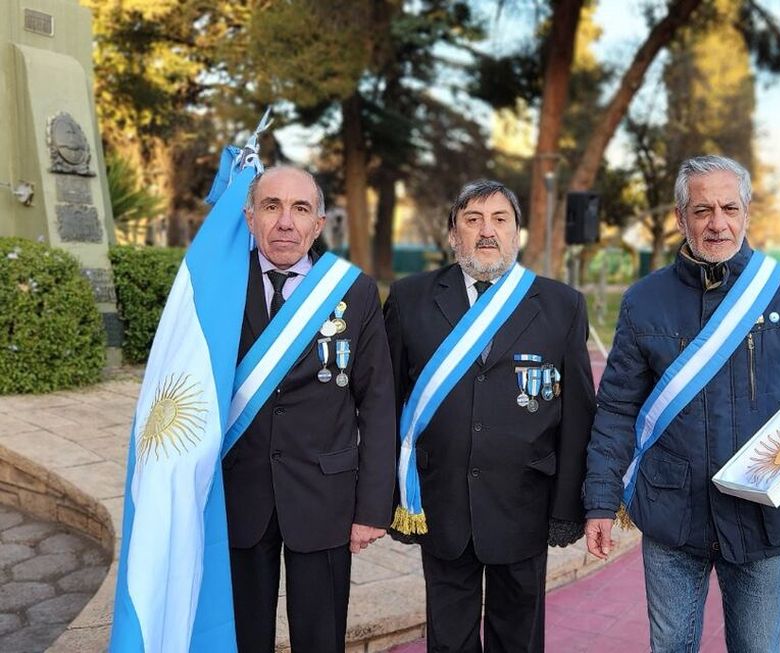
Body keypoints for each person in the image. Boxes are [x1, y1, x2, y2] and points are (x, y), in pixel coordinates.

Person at [583, 155, 780, 653]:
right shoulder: (643, 300)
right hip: (673, 517)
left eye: (729, 208)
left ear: (747, 212)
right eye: (702, 210)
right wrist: (601, 501)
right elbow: (616, 409)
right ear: (680, 217)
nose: (718, 223)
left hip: (764, 519)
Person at [384, 179, 596, 652]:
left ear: (517, 233)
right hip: (441, 504)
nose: (487, 231)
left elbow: (579, 415)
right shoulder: (409, 298)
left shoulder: (561, 304)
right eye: (472, 220)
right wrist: (391, 498)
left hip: (524, 505)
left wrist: (568, 507)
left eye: (500, 219)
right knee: (449, 639)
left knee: (518, 639)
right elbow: (388, 404)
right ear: (452, 234)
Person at [222, 166, 396, 653]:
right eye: (272, 206)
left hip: (325, 497)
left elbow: (378, 402)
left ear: (318, 224)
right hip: (238, 493)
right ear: (250, 216)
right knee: (241, 637)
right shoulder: (221, 288)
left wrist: (373, 508)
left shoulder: (353, 290)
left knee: (320, 640)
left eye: (301, 209)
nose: (285, 222)